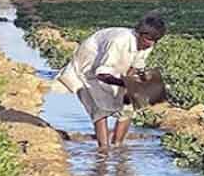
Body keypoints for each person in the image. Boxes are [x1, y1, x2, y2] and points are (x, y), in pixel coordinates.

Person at [56, 13, 166, 149]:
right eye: (149, 39)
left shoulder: (147, 44)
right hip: (90, 65)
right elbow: (102, 74)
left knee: (128, 106)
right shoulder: (118, 41)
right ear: (139, 34)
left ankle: (118, 146)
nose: (151, 44)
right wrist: (125, 83)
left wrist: (133, 86)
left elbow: (135, 66)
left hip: (114, 68)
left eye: (155, 40)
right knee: (98, 108)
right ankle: (104, 149)